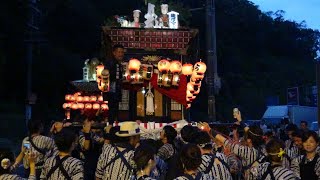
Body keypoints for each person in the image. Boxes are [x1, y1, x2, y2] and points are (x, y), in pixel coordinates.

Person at [103, 44, 125, 124]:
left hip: (116, 89)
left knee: (115, 108)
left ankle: (113, 125)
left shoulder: (118, 63)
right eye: (119, 52)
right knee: (112, 108)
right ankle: (111, 126)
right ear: (114, 53)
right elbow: (107, 75)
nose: (121, 54)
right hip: (112, 89)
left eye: (122, 52)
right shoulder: (111, 62)